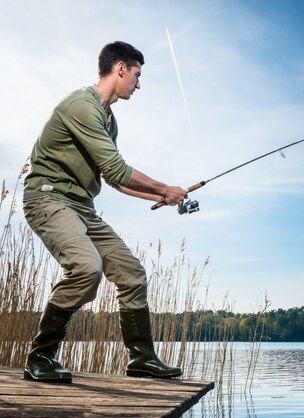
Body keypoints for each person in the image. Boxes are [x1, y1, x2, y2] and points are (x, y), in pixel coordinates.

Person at [22, 41, 187, 383]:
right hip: (48, 199)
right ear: (121, 68)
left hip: (83, 207)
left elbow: (114, 180)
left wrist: (162, 197)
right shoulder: (82, 106)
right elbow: (117, 169)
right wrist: (164, 187)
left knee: (131, 273)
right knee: (86, 268)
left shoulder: (109, 123)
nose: (138, 85)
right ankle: (40, 355)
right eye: (137, 75)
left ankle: (142, 358)